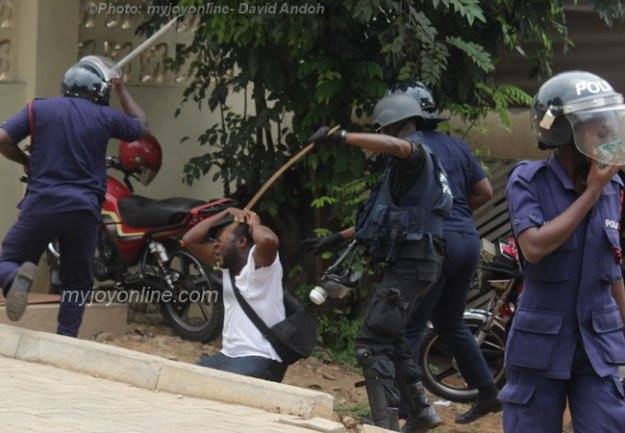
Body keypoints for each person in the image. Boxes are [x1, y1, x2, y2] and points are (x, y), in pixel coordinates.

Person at [306, 89, 453, 432]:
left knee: (371, 343)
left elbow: (400, 147)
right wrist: (333, 238)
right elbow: (377, 221)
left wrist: (342, 137)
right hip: (418, 262)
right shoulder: (406, 173)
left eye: (382, 131)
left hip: (413, 263)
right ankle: (420, 412)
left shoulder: (413, 154)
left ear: (391, 126)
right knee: (391, 334)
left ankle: (382, 423)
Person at [499, 70, 625, 433]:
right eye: (598, 129)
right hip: (540, 343)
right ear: (565, 132)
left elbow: (614, 269)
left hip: (599, 344)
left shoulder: (616, 187)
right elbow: (534, 247)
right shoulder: (528, 180)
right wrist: (590, 194)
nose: (609, 137)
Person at [0, 56, 147, 336]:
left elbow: (3, 139)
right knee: (77, 282)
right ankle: (66, 340)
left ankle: (12, 277)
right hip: (83, 210)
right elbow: (140, 125)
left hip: (41, 204)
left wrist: (25, 159)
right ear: (99, 90)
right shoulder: (105, 117)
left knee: (7, 259)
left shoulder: (39, 108)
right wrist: (122, 90)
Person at [397, 82, 500, 424]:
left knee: (411, 326)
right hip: (468, 240)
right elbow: (483, 191)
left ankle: (406, 406)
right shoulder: (457, 145)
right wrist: (457, 213)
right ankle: (487, 392)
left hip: (438, 244)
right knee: (449, 322)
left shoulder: (409, 147)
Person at [182, 207, 288, 382]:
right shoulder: (227, 267)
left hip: (260, 357)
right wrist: (225, 212)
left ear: (241, 242)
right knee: (188, 380)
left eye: (221, 240)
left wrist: (255, 223)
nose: (215, 245)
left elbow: (269, 240)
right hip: (228, 356)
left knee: (217, 387)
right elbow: (189, 240)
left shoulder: (261, 266)